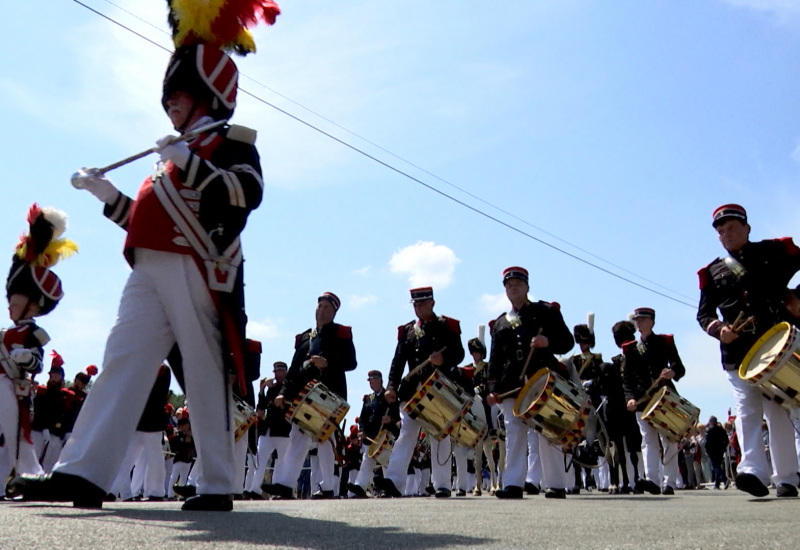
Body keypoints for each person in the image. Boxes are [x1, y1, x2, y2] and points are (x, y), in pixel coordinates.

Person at [8, 1, 281, 511]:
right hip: (149, 267)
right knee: (121, 363)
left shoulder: (229, 145)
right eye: (170, 96)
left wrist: (191, 165)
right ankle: (83, 474)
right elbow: (145, 219)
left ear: (208, 95)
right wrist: (104, 192)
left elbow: (247, 194)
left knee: (202, 372)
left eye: (181, 95)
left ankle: (218, 484)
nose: (172, 104)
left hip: (198, 266)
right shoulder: (173, 154)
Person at [697, 204, 800, 497]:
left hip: (777, 345)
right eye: (720, 231)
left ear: (746, 228)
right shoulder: (712, 271)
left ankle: (787, 479)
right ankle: (752, 471)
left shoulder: (775, 252)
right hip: (738, 353)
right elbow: (703, 315)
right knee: (747, 409)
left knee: (781, 409)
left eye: (731, 228)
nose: (725, 234)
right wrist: (720, 330)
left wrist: (797, 297)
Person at [486, 267, 575, 499]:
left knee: (547, 432)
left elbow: (567, 342)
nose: (512, 288)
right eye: (508, 285)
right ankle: (513, 484)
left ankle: (555, 484)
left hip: (542, 380)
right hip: (511, 385)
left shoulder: (546, 311)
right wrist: (493, 388)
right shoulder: (500, 324)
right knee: (514, 433)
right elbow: (494, 359)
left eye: (517, 284)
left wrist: (548, 341)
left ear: (527, 287)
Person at [2, 205, 76, 484]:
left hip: (13, 387)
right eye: (10, 303)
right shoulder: (5, 331)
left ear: (32, 307)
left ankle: (29, 476)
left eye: (17, 304)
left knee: (16, 435)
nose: (11, 308)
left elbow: (38, 363)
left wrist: (24, 357)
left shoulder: (35, 333)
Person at [268, 292, 357, 500]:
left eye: (327, 307)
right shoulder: (305, 337)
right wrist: (283, 393)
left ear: (334, 312)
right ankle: (285, 485)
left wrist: (328, 363)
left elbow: (351, 363)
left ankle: (327, 486)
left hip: (329, 395)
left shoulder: (341, 334)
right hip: (304, 396)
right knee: (297, 438)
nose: (322, 310)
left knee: (325, 439)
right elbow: (293, 371)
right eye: (320, 306)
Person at [380, 287, 466, 498]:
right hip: (413, 390)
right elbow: (398, 361)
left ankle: (442, 484)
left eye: (422, 304)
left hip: (438, 389)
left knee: (439, 434)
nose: (418, 308)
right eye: (415, 305)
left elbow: (459, 353)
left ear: (432, 303)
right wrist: (391, 386)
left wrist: (443, 360)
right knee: (407, 432)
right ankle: (394, 481)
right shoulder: (408, 330)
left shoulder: (447, 326)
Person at [622, 307, 685, 495]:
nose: (638, 323)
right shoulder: (631, 349)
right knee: (648, 440)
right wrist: (630, 398)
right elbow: (627, 379)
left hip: (664, 397)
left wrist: (672, 372)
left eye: (642, 320)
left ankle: (670, 482)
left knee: (668, 439)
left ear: (651, 321)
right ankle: (652, 480)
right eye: (637, 320)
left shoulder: (664, 342)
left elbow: (679, 366)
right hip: (643, 400)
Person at [348, 370, 399, 498]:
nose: (371, 383)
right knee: (367, 461)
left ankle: (391, 487)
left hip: (385, 435)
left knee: (386, 461)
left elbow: (398, 414)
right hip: (371, 437)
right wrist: (362, 431)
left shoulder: (389, 396)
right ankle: (360, 486)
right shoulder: (368, 399)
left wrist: (390, 419)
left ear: (380, 380)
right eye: (370, 380)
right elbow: (363, 418)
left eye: (373, 380)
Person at [244, 361, 291, 499]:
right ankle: (255, 490)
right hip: (268, 429)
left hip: (282, 429)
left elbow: (282, 401)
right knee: (260, 459)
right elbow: (262, 407)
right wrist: (262, 390)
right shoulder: (272, 388)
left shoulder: (287, 386)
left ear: (285, 372)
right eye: (276, 372)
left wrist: (274, 388)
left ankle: (277, 489)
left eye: (280, 371)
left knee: (281, 461)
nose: (277, 374)